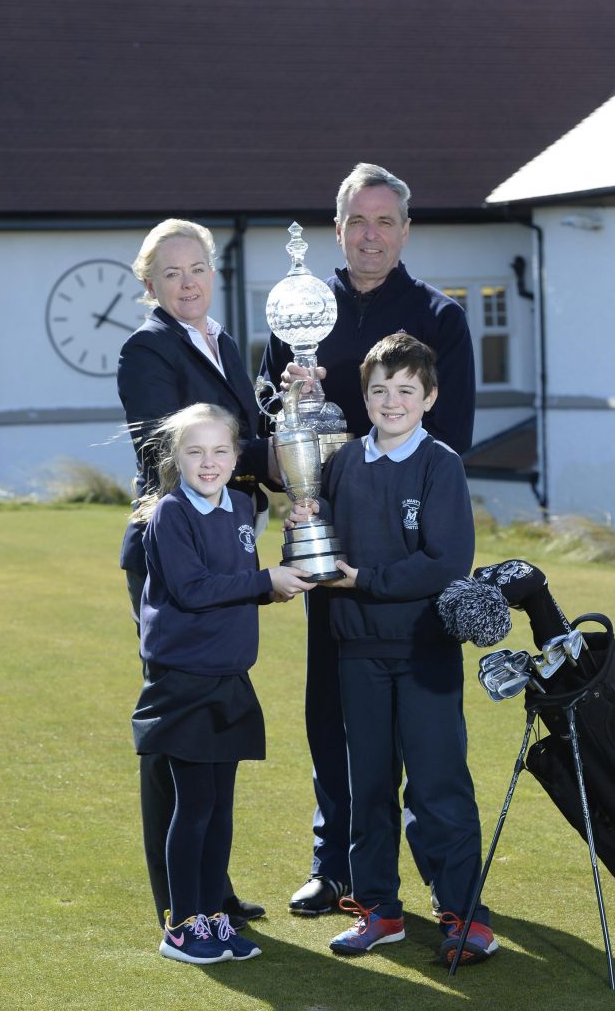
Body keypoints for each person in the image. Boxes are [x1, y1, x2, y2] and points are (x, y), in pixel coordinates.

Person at [261, 163, 476, 914]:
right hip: (329, 556)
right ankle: (340, 865)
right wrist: (298, 469)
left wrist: (350, 431)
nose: (370, 235)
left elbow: (452, 437)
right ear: (338, 227)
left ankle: (443, 883)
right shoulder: (299, 312)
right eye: (358, 220)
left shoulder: (438, 316)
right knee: (335, 719)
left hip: (409, 567)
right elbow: (274, 438)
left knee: (426, 737)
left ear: (406, 230)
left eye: (385, 221)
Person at [287, 334, 496, 966]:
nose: (392, 401)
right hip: (356, 649)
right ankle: (378, 909)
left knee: (437, 786)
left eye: (406, 390)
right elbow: (327, 542)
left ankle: (464, 913)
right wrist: (303, 533)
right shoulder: (346, 461)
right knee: (368, 784)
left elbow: (446, 562)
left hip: (424, 651)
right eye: (380, 390)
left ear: (429, 397)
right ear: (365, 395)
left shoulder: (440, 463)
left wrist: (366, 581)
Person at [118, 218, 279, 930]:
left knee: (217, 721)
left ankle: (211, 887)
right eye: (172, 273)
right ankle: (179, 903)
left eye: (198, 269)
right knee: (177, 733)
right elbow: (178, 450)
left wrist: (293, 417)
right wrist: (256, 472)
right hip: (176, 545)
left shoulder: (222, 342)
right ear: (150, 284)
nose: (188, 283)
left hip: (226, 540)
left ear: (213, 273)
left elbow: (243, 436)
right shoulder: (147, 347)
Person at [132, 403, 314, 964]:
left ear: (237, 458)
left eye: (219, 451)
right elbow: (191, 589)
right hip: (184, 682)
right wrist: (263, 580)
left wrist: (287, 564)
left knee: (220, 807)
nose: (207, 462)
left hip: (230, 679)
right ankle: (182, 926)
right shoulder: (169, 515)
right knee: (194, 805)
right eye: (195, 451)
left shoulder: (239, 506)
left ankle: (213, 916)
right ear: (176, 458)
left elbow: (240, 581)